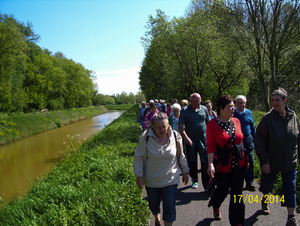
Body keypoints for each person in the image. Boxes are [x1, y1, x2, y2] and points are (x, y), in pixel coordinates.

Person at [134, 112, 189, 226]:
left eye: (164, 126)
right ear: (153, 126)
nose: (162, 130)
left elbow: (180, 155)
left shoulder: (175, 136)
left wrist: (185, 171)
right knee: (154, 205)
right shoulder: (146, 137)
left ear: (168, 125)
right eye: (158, 127)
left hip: (171, 179)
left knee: (169, 207)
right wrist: (139, 175)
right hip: (152, 180)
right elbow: (139, 157)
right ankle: (156, 216)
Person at [255, 88, 299, 226]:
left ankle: (291, 217)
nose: (274, 103)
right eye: (272, 100)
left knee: (290, 188)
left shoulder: (294, 117)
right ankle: (265, 200)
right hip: (271, 160)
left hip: (290, 161)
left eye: (277, 100)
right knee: (267, 184)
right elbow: (259, 140)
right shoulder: (267, 119)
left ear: (285, 101)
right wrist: (264, 161)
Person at [206, 95, 247, 226]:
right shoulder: (212, 124)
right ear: (222, 108)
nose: (233, 108)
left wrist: (246, 161)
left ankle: (237, 221)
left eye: (233, 106)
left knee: (237, 193)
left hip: (239, 164)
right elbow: (211, 146)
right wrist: (211, 164)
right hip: (224, 165)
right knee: (222, 191)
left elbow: (241, 142)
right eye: (230, 106)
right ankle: (216, 205)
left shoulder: (237, 121)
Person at [178, 93, 210, 189]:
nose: (197, 103)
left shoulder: (204, 109)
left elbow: (209, 123)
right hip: (190, 141)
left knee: (205, 161)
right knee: (192, 161)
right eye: (195, 101)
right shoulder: (184, 111)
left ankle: (207, 183)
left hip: (202, 140)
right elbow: (181, 126)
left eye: (199, 101)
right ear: (190, 101)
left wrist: (209, 137)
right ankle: (194, 180)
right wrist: (186, 138)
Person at [233, 95, 256, 191]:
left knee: (250, 161)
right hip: (237, 142)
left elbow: (252, 126)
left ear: (245, 103)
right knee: (239, 163)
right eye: (239, 102)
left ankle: (249, 182)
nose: (241, 104)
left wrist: (254, 139)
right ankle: (238, 183)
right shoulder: (232, 112)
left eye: (242, 102)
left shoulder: (248, 112)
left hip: (248, 141)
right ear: (235, 103)